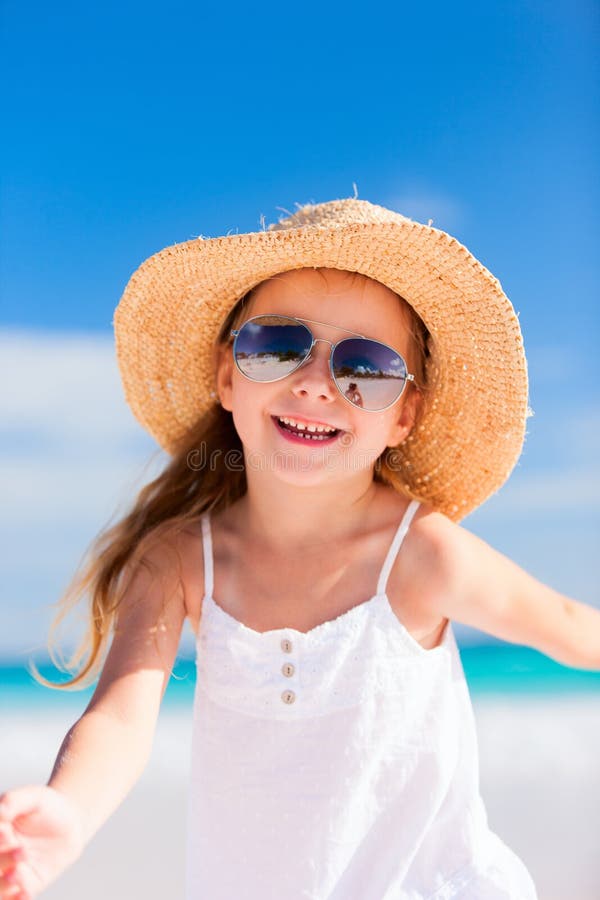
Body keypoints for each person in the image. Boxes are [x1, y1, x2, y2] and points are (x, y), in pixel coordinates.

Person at [1, 198, 599, 900]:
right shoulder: (182, 560)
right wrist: (68, 809)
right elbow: (120, 718)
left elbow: (568, 627)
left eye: (366, 368)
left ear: (403, 414)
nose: (316, 382)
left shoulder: (420, 554)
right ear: (228, 375)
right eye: (277, 347)